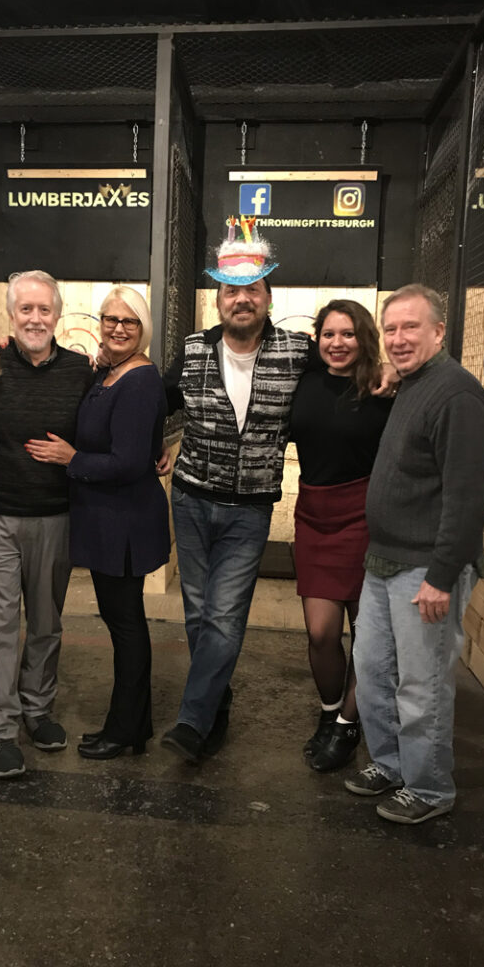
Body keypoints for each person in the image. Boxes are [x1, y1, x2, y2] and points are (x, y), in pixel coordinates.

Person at [160, 219, 314, 764]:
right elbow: (157, 402)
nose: (241, 300)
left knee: (225, 617)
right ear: (218, 299)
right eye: (231, 291)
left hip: (249, 511)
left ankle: (192, 722)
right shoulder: (193, 349)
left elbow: (344, 392)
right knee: (199, 615)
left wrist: (390, 385)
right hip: (192, 499)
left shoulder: (299, 353)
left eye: (252, 290)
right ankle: (215, 699)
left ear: (268, 297)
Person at [344, 283, 484, 824]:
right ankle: (390, 764)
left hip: (425, 569)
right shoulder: (411, 385)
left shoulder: (457, 395)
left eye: (411, 327)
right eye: (391, 329)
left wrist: (442, 575)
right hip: (385, 561)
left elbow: (467, 496)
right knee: (373, 669)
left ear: (438, 332)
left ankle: (430, 788)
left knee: (422, 681)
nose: (399, 338)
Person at [27, 286, 170, 759]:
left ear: (143, 327)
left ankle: (124, 729)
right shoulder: (110, 373)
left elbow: (129, 462)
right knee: (121, 620)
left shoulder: (140, 379)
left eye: (129, 322)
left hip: (124, 524)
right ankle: (135, 724)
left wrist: (72, 459)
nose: (118, 328)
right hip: (109, 520)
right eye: (110, 319)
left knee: (125, 624)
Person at [0, 270, 94, 778]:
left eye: (44, 309)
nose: (35, 318)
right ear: (10, 314)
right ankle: (1, 729)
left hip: (56, 518)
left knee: (46, 624)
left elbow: (104, 429)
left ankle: (37, 710)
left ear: (58, 315)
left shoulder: (81, 371)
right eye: (26, 309)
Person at [290, 300, 393, 772]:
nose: (337, 343)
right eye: (329, 334)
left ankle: (349, 726)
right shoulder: (305, 373)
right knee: (321, 631)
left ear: (363, 337)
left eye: (348, 334)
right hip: (314, 515)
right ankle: (331, 712)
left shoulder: (383, 387)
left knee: (366, 634)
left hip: (364, 516)